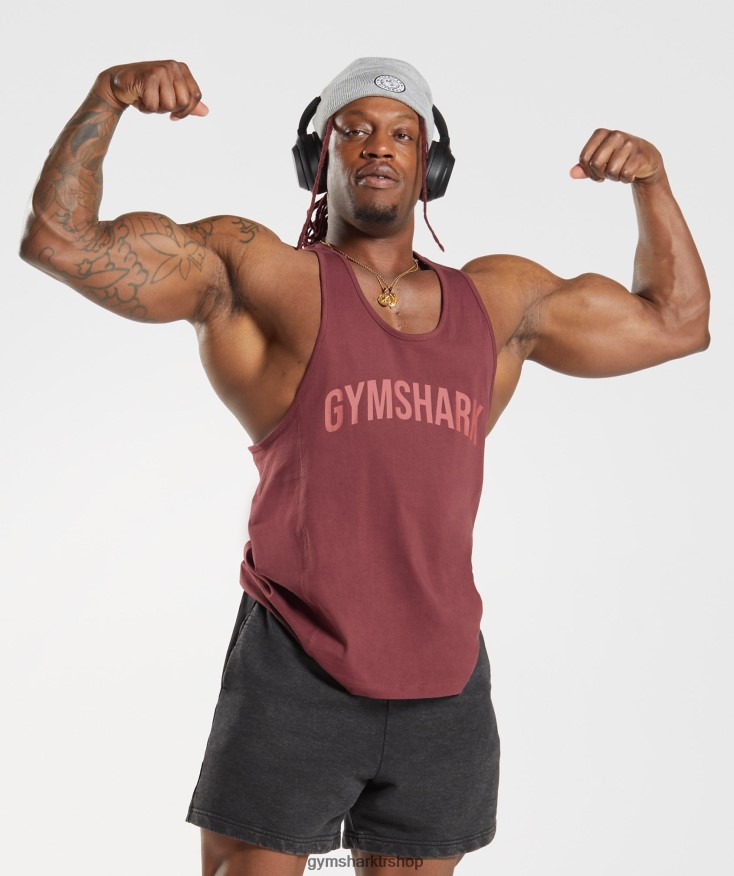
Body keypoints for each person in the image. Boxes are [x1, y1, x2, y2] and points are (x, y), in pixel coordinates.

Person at [20, 56, 710, 876]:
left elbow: (678, 324)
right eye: (354, 130)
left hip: (445, 679)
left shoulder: (500, 303)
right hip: (294, 670)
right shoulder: (260, 275)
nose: (379, 146)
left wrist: (652, 183)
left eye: (402, 134)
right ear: (318, 156)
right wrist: (110, 96)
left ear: (430, 165)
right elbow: (61, 242)